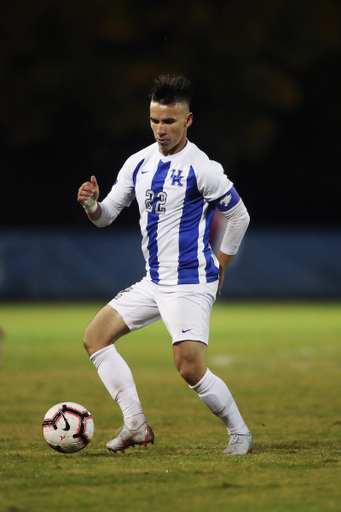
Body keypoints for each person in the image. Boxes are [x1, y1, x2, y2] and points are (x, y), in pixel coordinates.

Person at [77, 74, 253, 456]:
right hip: (154, 281)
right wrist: (92, 204)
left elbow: (240, 217)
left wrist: (221, 264)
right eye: (155, 120)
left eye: (169, 122)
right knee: (95, 337)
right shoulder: (137, 163)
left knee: (189, 366)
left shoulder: (202, 167)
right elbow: (107, 215)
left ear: (188, 120)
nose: (161, 129)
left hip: (190, 281)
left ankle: (240, 433)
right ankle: (136, 425)